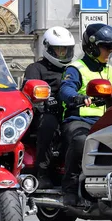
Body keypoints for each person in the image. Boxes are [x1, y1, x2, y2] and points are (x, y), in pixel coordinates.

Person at [58, 24, 112, 206]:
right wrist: (78, 97)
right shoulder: (76, 68)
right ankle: (69, 188)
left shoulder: (111, 70)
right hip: (80, 120)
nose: (110, 50)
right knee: (81, 141)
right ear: (93, 47)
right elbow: (65, 90)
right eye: (107, 46)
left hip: (107, 122)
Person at [22, 26, 75, 188]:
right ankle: (42, 171)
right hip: (42, 113)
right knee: (49, 123)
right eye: (59, 50)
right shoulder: (35, 68)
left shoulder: (71, 69)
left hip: (68, 111)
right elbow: (27, 93)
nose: (62, 53)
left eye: (66, 50)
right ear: (48, 48)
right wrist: (44, 102)